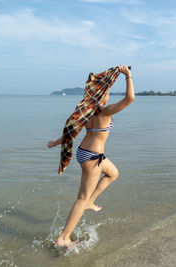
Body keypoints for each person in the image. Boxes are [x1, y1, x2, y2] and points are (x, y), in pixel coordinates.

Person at [47, 65, 134, 248]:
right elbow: (129, 99)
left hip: (86, 153)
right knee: (81, 199)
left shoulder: (87, 111)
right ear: (102, 95)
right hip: (93, 157)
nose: (109, 94)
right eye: (108, 91)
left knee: (113, 173)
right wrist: (128, 76)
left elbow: (71, 133)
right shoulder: (105, 111)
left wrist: (55, 142)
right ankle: (64, 238)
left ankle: (91, 201)